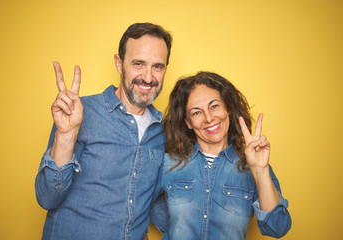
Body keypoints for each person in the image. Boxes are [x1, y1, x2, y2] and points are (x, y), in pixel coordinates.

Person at [35, 22, 172, 240]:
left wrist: (194, 229)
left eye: (158, 66)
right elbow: (47, 198)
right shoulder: (78, 113)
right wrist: (66, 135)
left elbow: (149, 198)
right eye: (138, 64)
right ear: (119, 63)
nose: (148, 77)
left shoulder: (162, 131)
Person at [162, 72, 292, 239]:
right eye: (196, 113)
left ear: (228, 109)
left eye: (214, 106)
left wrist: (260, 171)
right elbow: (142, 203)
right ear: (188, 122)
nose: (209, 118)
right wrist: (173, 229)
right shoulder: (169, 162)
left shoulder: (253, 165)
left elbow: (277, 228)